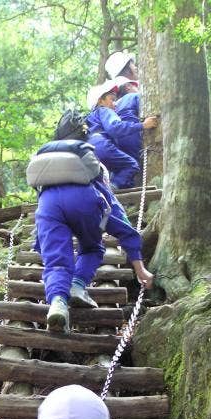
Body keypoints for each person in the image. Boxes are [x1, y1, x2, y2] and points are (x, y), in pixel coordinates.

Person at [34, 159, 154, 333]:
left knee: (56, 262)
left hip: (48, 205)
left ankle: (58, 302)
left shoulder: (48, 185)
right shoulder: (96, 178)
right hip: (84, 201)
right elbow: (121, 222)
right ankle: (76, 285)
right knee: (92, 248)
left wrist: (42, 247)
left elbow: (44, 238)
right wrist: (140, 269)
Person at [85, 79, 157, 189]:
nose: (115, 105)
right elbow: (115, 127)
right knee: (131, 165)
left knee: (111, 173)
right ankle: (112, 189)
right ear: (100, 101)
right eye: (112, 100)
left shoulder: (89, 118)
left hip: (88, 152)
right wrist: (143, 125)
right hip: (102, 146)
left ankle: (109, 190)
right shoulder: (104, 110)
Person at [113, 76, 142, 162]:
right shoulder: (134, 96)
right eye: (135, 86)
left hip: (117, 143)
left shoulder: (113, 105)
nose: (137, 89)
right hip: (134, 137)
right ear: (128, 86)